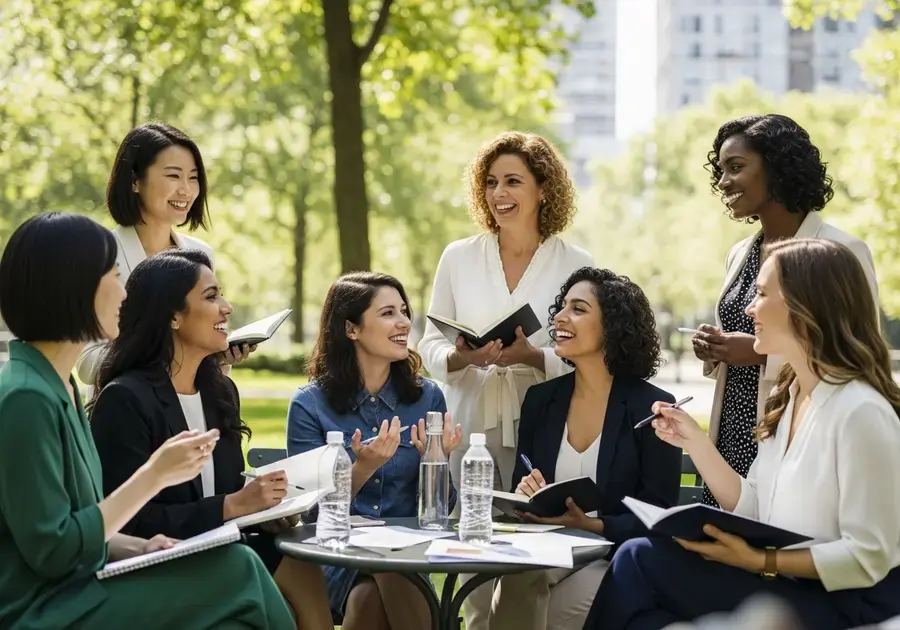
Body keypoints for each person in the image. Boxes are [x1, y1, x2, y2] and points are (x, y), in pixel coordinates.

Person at [585, 238, 900, 630]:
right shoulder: (790, 396)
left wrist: (757, 561)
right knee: (641, 594)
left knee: (638, 560)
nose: (750, 307)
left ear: (806, 306)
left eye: (762, 294)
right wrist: (693, 442)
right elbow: (753, 505)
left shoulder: (862, 413)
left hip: (844, 602)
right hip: (783, 581)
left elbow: (868, 557)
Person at [0, 212, 294, 630]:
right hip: (41, 608)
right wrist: (154, 476)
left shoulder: (57, 385)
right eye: (114, 277)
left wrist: (139, 547)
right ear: (74, 287)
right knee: (238, 567)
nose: (125, 294)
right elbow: (55, 551)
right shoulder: (26, 397)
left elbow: (78, 521)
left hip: (80, 586)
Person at [88, 249, 332, 629]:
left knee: (298, 558)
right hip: (159, 560)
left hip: (222, 545)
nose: (227, 308)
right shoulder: (125, 399)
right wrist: (233, 506)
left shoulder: (219, 392)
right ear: (172, 315)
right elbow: (129, 522)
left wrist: (262, 511)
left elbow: (225, 489)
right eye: (211, 296)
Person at [418, 132, 594, 629]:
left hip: (541, 424)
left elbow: (591, 353)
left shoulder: (576, 264)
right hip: (468, 420)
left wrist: (533, 357)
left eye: (513, 181)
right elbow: (429, 343)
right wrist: (462, 358)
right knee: (470, 554)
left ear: (543, 189)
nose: (499, 193)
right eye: (491, 182)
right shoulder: (458, 256)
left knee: (529, 559)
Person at [691, 114, 878, 507]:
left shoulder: (841, 251)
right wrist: (716, 350)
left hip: (797, 428)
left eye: (736, 167)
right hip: (731, 428)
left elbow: (858, 355)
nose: (723, 182)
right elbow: (743, 338)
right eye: (721, 170)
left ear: (777, 168)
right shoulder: (739, 254)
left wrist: (760, 353)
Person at [488, 267, 681, 630]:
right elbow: (520, 483)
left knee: (547, 618)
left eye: (578, 308)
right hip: (546, 550)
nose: (560, 316)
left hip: (612, 556)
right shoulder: (541, 400)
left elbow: (660, 515)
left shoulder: (652, 407)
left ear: (613, 326)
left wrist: (590, 524)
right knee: (518, 579)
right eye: (561, 307)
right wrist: (526, 492)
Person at [287, 272, 463, 630]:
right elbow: (308, 513)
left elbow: (441, 512)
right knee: (379, 575)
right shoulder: (310, 405)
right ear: (351, 329)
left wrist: (437, 462)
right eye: (387, 313)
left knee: (370, 597)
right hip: (339, 557)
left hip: (407, 558)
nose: (403, 322)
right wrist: (361, 469)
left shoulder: (428, 398)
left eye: (403, 310)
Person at [76, 121, 253, 390]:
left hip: (188, 411)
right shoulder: (99, 255)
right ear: (135, 180)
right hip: (126, 413)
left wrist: (218, 354)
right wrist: (162, 349)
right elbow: (87, 364)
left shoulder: (201, 254)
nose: (186, 189)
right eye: (173, 176)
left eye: (193, 177)